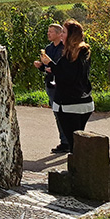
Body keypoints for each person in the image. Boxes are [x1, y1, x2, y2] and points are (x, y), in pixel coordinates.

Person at [43, 19, 93, 152]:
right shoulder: (84, 52)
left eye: (64, 32)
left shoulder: (71, 55)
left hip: (68, 104)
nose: (61, 35)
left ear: (70, 35)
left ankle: (77, 170)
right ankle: (82, 167)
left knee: (74, 143)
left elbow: (66, 76)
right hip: (84, 102)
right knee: (78, 140)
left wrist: (51, 64)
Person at [34, 24, 69, 152]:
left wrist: (50, 67)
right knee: (57, 113)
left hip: (62, 84)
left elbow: (61, 68)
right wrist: (41, 67)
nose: (48, 34)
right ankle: (64, 141)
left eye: (51, 32)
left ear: (60, 34)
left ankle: (67, 141)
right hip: (50, 84)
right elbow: (47, 68)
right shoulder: (48, 48)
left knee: (64, 113)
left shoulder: (65, 49)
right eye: (48, 32)